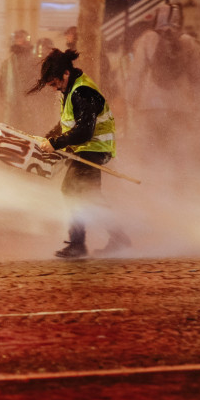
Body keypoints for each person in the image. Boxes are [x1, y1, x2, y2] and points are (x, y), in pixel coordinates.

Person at [29, 49, 131, 259]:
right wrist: (48, 138)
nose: (53, 87)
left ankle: (78, 244)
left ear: (65, 73)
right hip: (87, 148)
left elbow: (84, 130)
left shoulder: (82, 92)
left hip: (94, 149)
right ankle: (116, 237)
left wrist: (55, 144)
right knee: (86, 194)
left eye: (54, 82)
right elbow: (67, 123)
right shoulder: (70, 89)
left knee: (74, 190)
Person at [126, 4, 200, 145]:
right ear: (180, 19)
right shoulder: (188, 41)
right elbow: (199, 78)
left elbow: (136, 73)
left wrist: (131, 98)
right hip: (181, 107)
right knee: (176, 151)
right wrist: (198, 104)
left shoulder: (147, 39)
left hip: (150, 106)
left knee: (151, 151)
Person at [0, 29, 52, 135]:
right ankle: (11, 139)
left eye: (22, 38)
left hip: (29, 99)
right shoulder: (9, 62)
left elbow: (37, 76)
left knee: (29, 123)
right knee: (15, 121)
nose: (20, 41)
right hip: (13, 101)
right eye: (17, 38)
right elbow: (6, 79)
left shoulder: (33, 59)